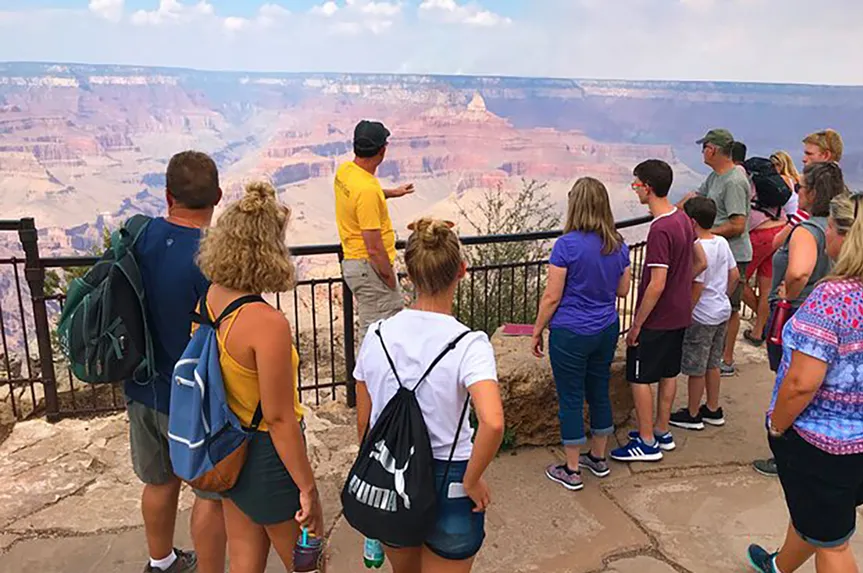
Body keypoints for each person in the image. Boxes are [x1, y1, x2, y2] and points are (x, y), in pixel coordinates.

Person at [747, 191, 863, 573]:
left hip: (831, 447)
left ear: (848, 237)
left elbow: (801, 384)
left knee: (833, 543)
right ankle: (778, 566)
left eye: (830, 227)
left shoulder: (832, 298)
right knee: (820, 516)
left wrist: (777, 427)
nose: (825, 235)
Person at [354, 218, 505, 573]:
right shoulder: (470, 345)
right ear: (462, 271)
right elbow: (493, 422)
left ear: (408, 275)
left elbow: (365, 421)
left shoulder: (375, 336)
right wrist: (472, 478)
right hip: (451, 478)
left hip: (392, 473)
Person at [196, 182, 323, 572]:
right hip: (268, 456)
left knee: (245, 560)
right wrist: (307, 487)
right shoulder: (266, 323)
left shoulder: (211, 298)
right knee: (307, 564)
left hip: (230, 447)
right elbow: (280, 417)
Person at [125, 150, 225, 573]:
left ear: (167, 196)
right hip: (193, 397)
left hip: (142, 387)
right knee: (209, 493)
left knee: (158, 482)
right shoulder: (213, 258)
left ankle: (161, 562)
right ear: (217, 197)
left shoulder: (139, 238)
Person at [531, 177, 631, 490]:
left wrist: (536, 331)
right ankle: (598, 458)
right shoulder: (617, 243)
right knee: (598, 390)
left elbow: (552, 297)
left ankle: (572, 469)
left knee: (571, 397)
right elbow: (623, 289)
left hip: (571, 332)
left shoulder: (566, 245)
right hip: (606, 328)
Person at [752, 162, 847, 478]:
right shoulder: (831, 226)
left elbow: (799, 270)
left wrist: (785, 294)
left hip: (796, 314)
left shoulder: (809, 232)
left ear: (814, 193)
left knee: (790, 382)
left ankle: (786, 451)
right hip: (822, 315)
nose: (796, 192)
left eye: (800, 187)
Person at [612, 159, 703, 462]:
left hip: (658, 317)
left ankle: (647, 441)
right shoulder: (682, 219)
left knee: (639, 378)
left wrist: (637, 324)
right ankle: (662, 431)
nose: (634, 188)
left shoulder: (660, 229)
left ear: (648, 188)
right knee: (668, 373)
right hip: (679, 313)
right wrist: (682, 285)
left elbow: (656, 283)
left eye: (636, 183)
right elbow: (700, 261)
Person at [335, 119, 416, 337]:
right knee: (377, 335)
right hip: (370, 268)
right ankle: (369, 372)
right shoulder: (367, 191)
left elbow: (360, 196)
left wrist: (391, 192)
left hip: (355, 264)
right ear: (382, 150)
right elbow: (373, 247)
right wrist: (389, 277)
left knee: (374, 330)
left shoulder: (345, 171)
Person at [682, 128, 752, 378]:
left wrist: (706, 233)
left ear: (712, 149)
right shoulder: (716, 177)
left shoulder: (733, 181)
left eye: (704, 147)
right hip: (716, 250)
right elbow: (695, 198)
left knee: (729, 307)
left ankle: (726, 358)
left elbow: (738, 224)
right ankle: (713, 356)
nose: (703, 152)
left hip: (731, 254)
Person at [669, 196, 739, 431]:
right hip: (720, 311)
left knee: (695, 367)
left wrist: (685, 312)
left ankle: (692, 413)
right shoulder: (721, 242)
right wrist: (723, 296)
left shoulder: (697, 248)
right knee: (713, 363)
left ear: (692, 221)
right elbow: (734, 276)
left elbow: (697, 285)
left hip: (701, 315)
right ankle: (712, 408)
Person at [742, 151, 799, 346]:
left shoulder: (752, 183)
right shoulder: (787, 183)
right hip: (779, 231)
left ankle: (765, 320)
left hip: (759, 234)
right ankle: (759, 332)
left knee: (736, 280)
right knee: (766, 287)